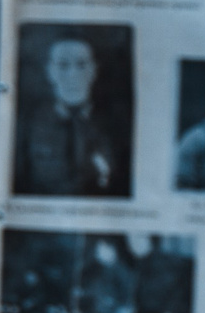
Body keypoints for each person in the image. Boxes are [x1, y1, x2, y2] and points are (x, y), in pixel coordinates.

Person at [14, 31, 132, 197]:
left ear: (94, 70)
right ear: (50, 71)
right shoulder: (27, 125)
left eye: (82, 65)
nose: (73, 75)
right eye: (63, 65)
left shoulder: (116, 125)